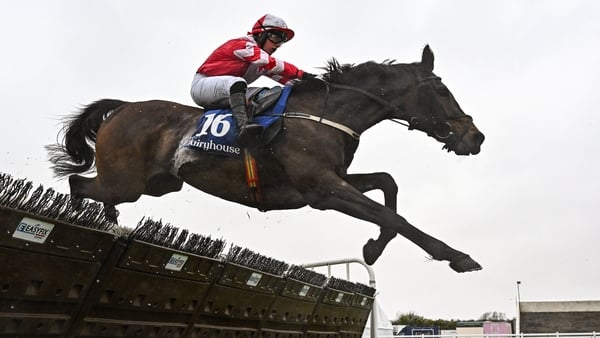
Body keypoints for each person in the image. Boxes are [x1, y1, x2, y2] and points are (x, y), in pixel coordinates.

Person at [190, 14, 316, 145]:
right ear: (260, 34)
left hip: (225, 91)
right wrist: (302, 74)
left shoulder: (260, 60)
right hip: (202, 86)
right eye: (274, 37)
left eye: (281, 41)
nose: (277, 45)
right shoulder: (242, 45)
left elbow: (287, 81)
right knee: (238, 83)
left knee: (261, 94)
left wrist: (312, 85)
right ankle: (243, 127)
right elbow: (269, 62)